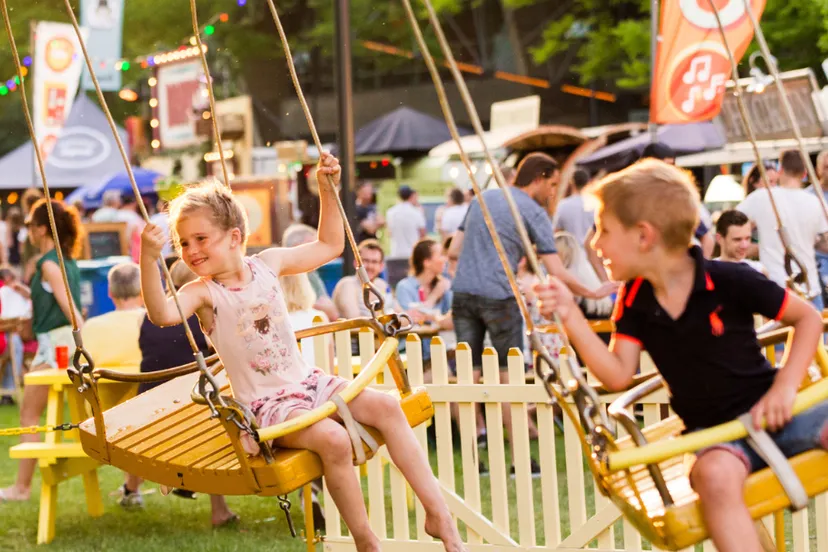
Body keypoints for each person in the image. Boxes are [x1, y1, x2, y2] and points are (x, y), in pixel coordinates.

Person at [139, 152, 465, 552]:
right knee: (333, 439)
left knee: (387, 406)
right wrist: (148, 259)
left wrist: (327, 190)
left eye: (200, 239)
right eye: (183, 243)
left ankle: (439, 515)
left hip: (309, 383)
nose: (191, 251)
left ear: (235, 237)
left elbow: (329, 244)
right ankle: (366, 541)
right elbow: (160, 313)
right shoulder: (202, 293)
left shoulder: (269, 264)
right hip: (267, 404)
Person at [533, 159, 826, 552]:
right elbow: (618, 375)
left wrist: (785, 388)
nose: (596, 244)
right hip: (716, 438)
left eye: (603, 230)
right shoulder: (635, 302)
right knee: (713, 477)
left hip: (775, 411)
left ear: (643, 236)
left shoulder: (730, 279)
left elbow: (806, 318)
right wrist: (570, 315)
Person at [136, 260, 238, 527]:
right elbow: (223, 354)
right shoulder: (200, 313)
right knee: (221, 420)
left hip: (149, 409)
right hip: (190, 409)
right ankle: (220, 510)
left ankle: (130, 490)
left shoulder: (148, 315)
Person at [0, 199, 84, 502]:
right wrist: (28, 293)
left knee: (29, 414)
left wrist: (84, 338)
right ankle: (22, 486)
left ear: (40, 229)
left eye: (31, 227)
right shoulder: (65, 261)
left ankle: (21, 488)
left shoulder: (48, 263)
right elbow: (62, 299)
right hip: (59, 343)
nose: (29, 233)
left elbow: (69, 306)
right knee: (35, 413)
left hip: (57, 345)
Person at [738, 149, 828, 310]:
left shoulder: (762, 197)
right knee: (815, 333)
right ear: (805, 173)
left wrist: (751, 245)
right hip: (809, 287)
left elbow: (731, 224)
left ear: (780, 170)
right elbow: (825, 245)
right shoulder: (816, 202)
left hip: (775, 287)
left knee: (777, 336)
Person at [395, 238, 453, 367]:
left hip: (440, 350)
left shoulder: (444, 285)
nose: (445, 259)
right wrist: (434, 296)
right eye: (440, 255)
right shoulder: (405, 286)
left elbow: (451, 317)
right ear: (427, 262)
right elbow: (413, 318)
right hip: (413, 352)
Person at [332, 239, 394, 319]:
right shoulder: (347, 285)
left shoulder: (382, 285)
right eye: (365, 261)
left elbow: (397, 313)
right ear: (355, 263)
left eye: (374, 262)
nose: (369, 266)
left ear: (381, 266)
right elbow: (355, 320)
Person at [386, 185, 426, 286]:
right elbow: (422, 234)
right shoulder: (417, 212)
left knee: (396, 286)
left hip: (396, 254)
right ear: (411, 195)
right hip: (412, 254)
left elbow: (389, 232)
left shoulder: (390, 212)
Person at [714, 210, 766, 275]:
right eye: (737, 239)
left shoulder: (758, 270)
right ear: (719, 238)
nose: (744, 245)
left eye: (748, 238)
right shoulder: (708, 273)